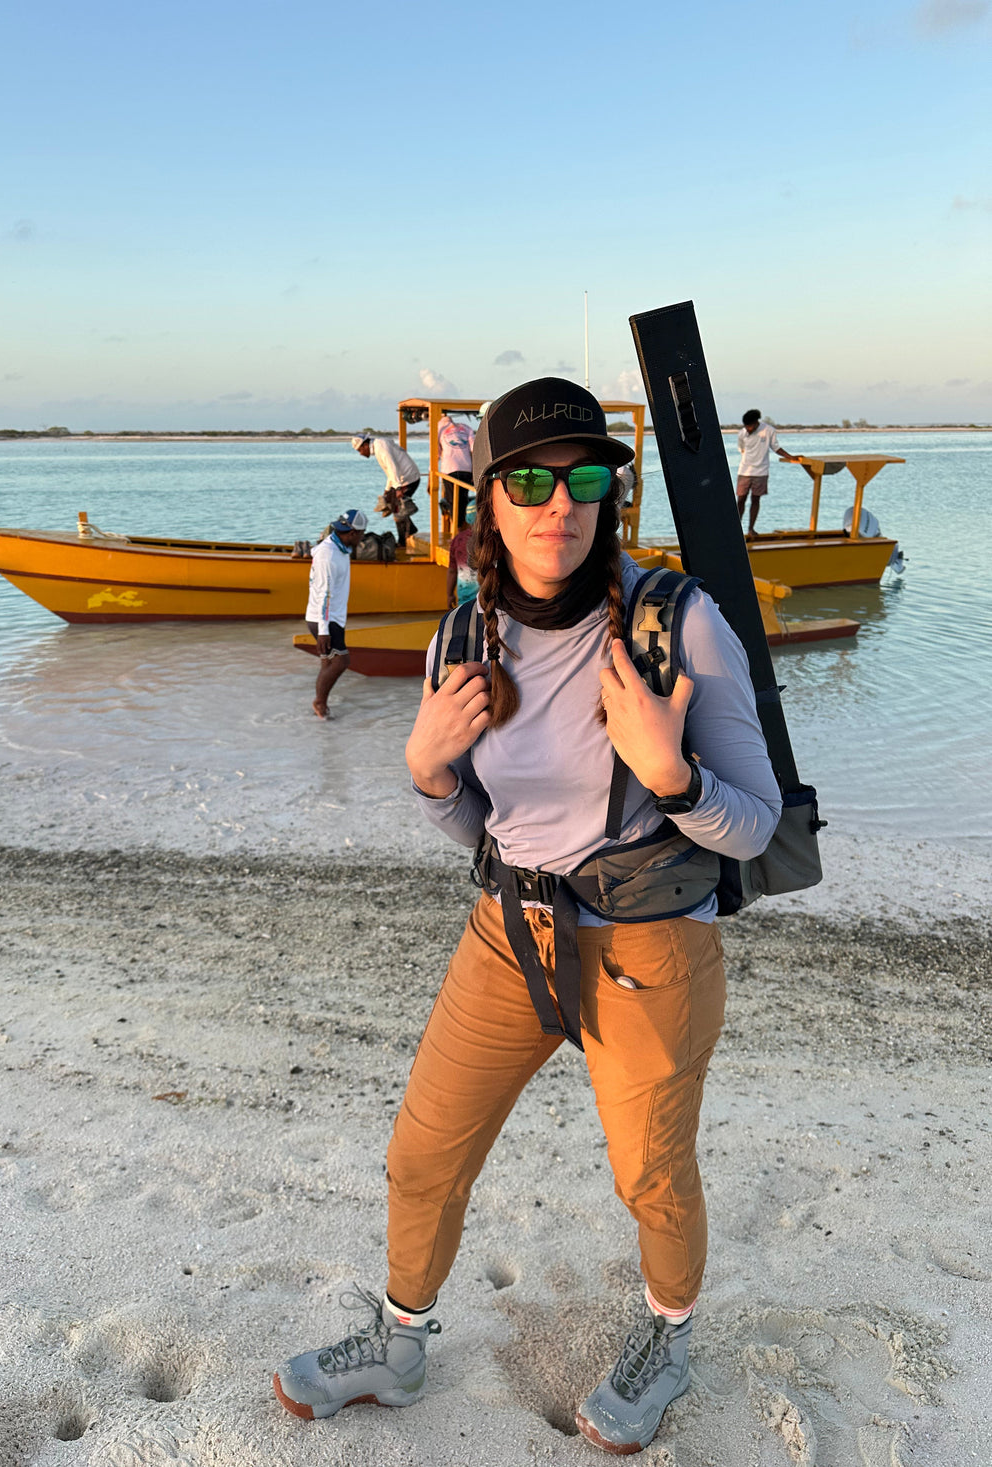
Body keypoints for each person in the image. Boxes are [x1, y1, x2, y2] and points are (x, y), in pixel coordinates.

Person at [274, 379, 782, 1452]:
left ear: (609, 493)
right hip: (507, 937)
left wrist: (669, 775)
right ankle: (400, 1343)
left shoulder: (676, 622)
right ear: (486, 500)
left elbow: (755, 824)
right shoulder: (461, 633)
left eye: (584, 477)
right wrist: (420, 770)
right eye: (530, 480)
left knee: (648, 1172)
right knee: (422, 1154)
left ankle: (665, 1338)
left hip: (647, 941)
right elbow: (477, 822)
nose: (559, 503)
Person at [304, 510, 367, 719]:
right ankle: (319, 702)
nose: (362, 539)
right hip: (324, 618)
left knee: (329, 661)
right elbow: (324, 594)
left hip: (333, 617)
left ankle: (321, 706)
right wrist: (323, 631)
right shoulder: (329, 555)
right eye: (361, 534)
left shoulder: (338, 547)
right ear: (351, 533)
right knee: (341, 661)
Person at [352, 434, 420, 548]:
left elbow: (393, 467)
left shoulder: (381, 447)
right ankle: (410, 530)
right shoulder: (379, 446)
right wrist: (387, 490)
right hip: (402, 478)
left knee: (398, 509)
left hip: (408, 478)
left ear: (364, 445)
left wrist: (397, 488)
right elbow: (390, 471)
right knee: (392, 505)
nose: (360, 454)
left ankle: (403, 541)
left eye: (360, 450)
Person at [735, 409, 795, 535]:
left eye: (750, 426)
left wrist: (790, 457)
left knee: (755, 499)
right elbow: (741, 449)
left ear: (756, 423)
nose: (748, 429)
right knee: (741, 499)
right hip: (744, 471)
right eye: (746, 426)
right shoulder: (742, 433)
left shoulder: (768, 430)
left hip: (761, 472)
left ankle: (751, 529)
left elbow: (776, 448)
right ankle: (736, 528)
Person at [437, 413, 475, 530]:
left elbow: (436, 454)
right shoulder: (466, 428)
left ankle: (457, 530)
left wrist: (430, 478)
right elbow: (474, 449)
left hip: (450, 470)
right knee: (463, 499)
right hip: (466, 469)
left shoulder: (440, 431)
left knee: (452, 501)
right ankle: (463, 527)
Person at [444, 520, 477, 609]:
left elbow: (452, 571)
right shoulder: (493, 538)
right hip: (490, 600)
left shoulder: (458, 539)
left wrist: (450, 595)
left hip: (465, 599)